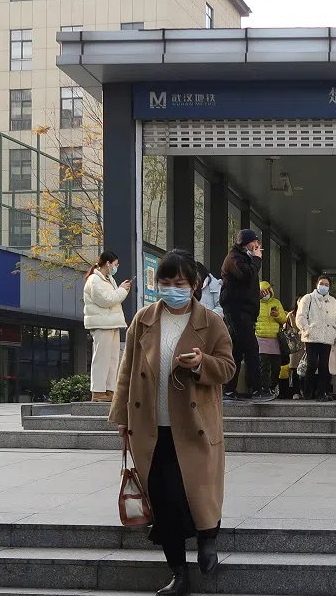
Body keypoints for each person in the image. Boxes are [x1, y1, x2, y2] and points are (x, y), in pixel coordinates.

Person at [109, 249, 235, 596]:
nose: (171, 289)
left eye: (178, 283)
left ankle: (208, 538)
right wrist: (121, 416)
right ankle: (179, 574)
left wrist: (200, 363)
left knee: (194, 492)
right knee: (164, 501)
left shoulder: (211, 321)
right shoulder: (144, 319)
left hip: (194, 424)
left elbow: (227, 367)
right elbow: (126, 370)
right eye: (164, 283)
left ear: (194, 285)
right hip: (152, 426)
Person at [220, 229, 264, 400]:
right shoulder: (234, 258)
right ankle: (257, 389)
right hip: (237, 309)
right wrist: (257, 259)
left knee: (236, 350)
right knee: (251, 348)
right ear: (246, 243)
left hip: (244, 309)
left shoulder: (243, 258)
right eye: (255, 243)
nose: (257, 246)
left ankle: (229, 389)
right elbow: (247, 275)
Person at [83, 251, 132, 403]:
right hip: (101, 324)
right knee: (101, 358)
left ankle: (109, 390)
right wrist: (122, 290)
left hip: (112, 323)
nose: (116, 267)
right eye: (115, 264)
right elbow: (106, 300)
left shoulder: (109, 279)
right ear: (108, 263)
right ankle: (98, 391)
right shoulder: (94, 280)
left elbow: (113, 299)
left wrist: (121, 290)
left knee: (112, 359)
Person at [297, 275, 336, 402]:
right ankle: (307, 391)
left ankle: (321, 393)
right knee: (312, 364)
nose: (324, 286)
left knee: (324, 365)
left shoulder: (333, 301)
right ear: (316, 284)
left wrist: (335, 332)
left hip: (327, 337)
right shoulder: (308, 298)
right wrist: (307, 329)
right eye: (322, 283)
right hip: (311, 337)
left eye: (327, 285)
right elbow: (300, 316)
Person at [256, 281, 287, 397]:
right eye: (262, 292)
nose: (265, 294)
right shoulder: (256, 303)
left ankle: (272, 386)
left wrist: (278, 315)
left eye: (267, 291)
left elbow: (284, 319)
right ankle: (264, 388)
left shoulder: (276, 302)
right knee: (263, 365)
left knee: (276, 367)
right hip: (260, 337)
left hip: (275, 339)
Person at [285, 294, 306, 399]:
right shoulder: (291, 315)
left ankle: (306, 391)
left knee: (305, 368)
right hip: (294, 345)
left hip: (306, 345)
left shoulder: (310, 314)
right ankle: (295, 392)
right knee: (294, 368)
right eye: (299, 301)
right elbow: (289, 329)